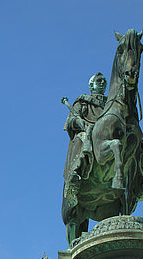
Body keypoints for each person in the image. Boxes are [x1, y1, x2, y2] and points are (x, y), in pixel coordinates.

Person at [62, 73, 107, 242]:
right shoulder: (83, 102)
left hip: (107, 137)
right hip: (87, 132)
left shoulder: (112, 104)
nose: (102, 83)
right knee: (84, 140)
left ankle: (140, 177)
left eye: (104, 81)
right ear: (91, 86)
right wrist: (82, 123)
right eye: (98, 81)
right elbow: (72, 120)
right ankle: (76, 174)